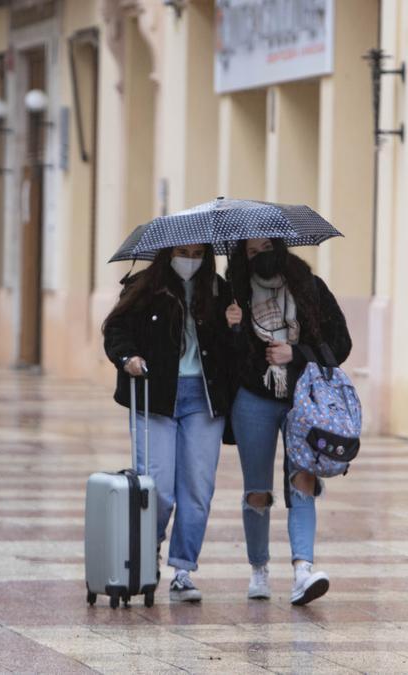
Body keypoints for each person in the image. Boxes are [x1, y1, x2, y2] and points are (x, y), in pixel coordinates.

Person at [224, 237, 352, 606]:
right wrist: (232, 327)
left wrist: (294, 353)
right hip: (253, 400)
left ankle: (302, 570)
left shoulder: (308, 287)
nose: (260, 257)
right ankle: (259, 569)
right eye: (251, 252)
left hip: (303, 403)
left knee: (303, 482)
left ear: (280, 247)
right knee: (258, 490)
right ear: (241, 258)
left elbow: (341, 344)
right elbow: (224, 359)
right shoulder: (235, 294)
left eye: (266, 248)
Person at [103, 244, 232, 603]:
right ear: (167, 252)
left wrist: (232, 326)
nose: (189, 258)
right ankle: (149, 548)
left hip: (203, 401)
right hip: (156, 396)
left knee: (198, 490)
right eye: (182, 251)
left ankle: (183, 570)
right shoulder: (144, 286)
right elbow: (115, 330)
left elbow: (233, 353)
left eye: (197, 253)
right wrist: (127, 358)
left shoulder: (220, 292)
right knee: (157, 487)